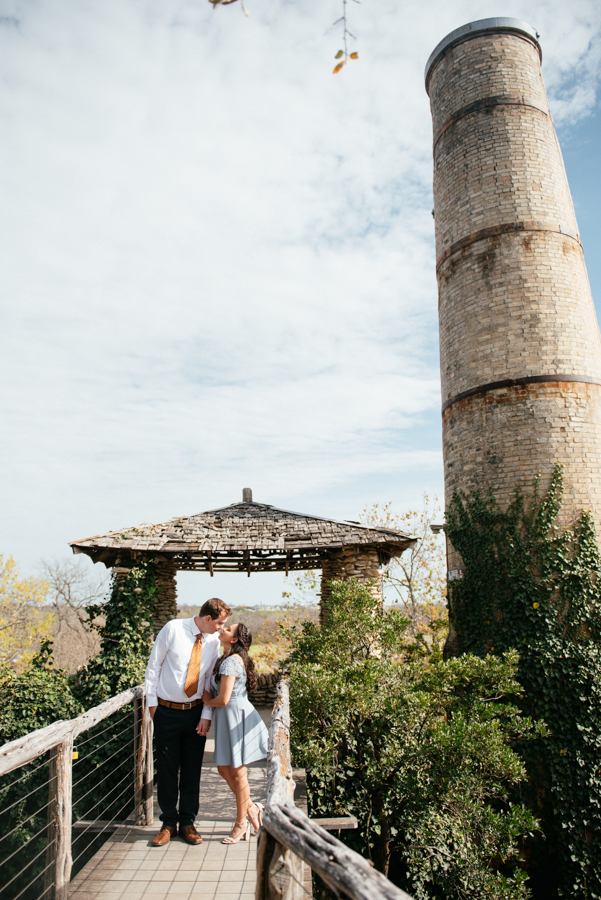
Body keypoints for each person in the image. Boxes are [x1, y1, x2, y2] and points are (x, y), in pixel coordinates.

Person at [144, 596, 231, 846]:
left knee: (192, 769)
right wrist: (152, 707)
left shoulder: (213, 640)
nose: (221, 628)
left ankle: (188, 823)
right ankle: (168, 823)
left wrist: (205, 715)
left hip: (195, 713)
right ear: (207, 618)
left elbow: (206, 680)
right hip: (165, 711)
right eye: (219, 623)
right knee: (168, 768)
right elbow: (154, 668)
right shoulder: (173, 629)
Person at [201, 622, 269, 843]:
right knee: (223, 768)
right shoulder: (225, 658)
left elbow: (224, 698)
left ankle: (241, 825)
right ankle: (252, 808)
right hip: (226, 718)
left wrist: (206, 701)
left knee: (238, 773)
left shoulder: (231, 662)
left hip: (235, 718)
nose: (223, 630)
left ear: (234, 640)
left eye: (228, 629)